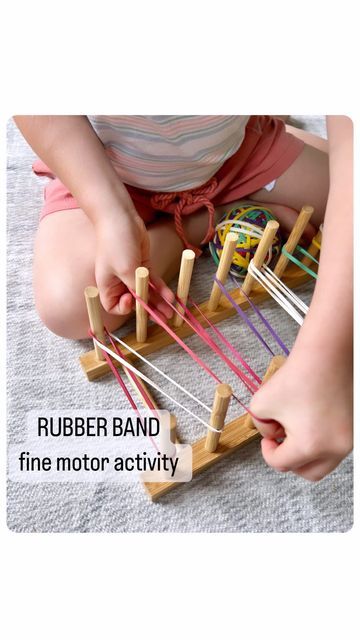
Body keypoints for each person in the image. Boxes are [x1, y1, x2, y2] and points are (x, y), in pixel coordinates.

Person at [14, 115, 353, 481]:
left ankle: (276, 128)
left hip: (237, 156)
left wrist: (329, 359)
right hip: (103, 173)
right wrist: (110, 214)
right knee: (71, 305)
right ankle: (202, 221)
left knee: (339, 184)